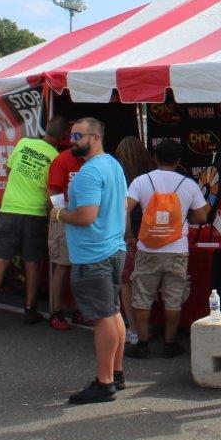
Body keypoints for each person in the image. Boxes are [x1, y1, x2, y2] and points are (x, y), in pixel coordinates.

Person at [56, 118, 129, 403]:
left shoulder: (89, 172)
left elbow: (86, 217)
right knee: (112, 312)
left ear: (95, 137)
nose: (72, 140)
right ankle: (116, 373)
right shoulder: (113, 165)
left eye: (77, 135)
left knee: (103, 316)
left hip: (94, 252)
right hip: (112, 247)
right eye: (71, 135)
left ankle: (105, 382)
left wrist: (59, 214)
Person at [121, 138, 209, 359]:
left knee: (141, 296)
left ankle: (142, 343)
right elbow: (202, 216)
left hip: (147, 248)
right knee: (173, 297)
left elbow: (124, 209)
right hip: (177, 249)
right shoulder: (188, 184)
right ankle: (170, 343)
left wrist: (129, 235)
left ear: (155, 158)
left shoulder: (141, 181)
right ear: (178, 160)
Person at [0, 117, 66, 328]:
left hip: (10, 208)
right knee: (32, 262)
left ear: (46, 130)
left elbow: (9, 171)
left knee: (1, 259)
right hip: (34, 213)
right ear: (62, 138)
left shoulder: (24, 143)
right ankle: (30, 309)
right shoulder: (56, 157)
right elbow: (51, 188)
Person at [114, 136, 158, 344]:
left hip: (130, 233)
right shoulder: (151, 173)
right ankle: (146, 326)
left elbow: (124, 209)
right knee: (145, 281)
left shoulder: (120, 174)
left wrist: (128, 234)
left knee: (127, 282)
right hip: (152, 232)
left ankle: (134, 327)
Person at [46, 127, 83, 330]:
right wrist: (62, 214)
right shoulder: (62, 160)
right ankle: (56, 312)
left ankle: (79, 310)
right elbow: (53, 191)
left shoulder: (91, 160)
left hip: (84, 219)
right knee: (62, 266)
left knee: (80, 267)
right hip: (64, 219)